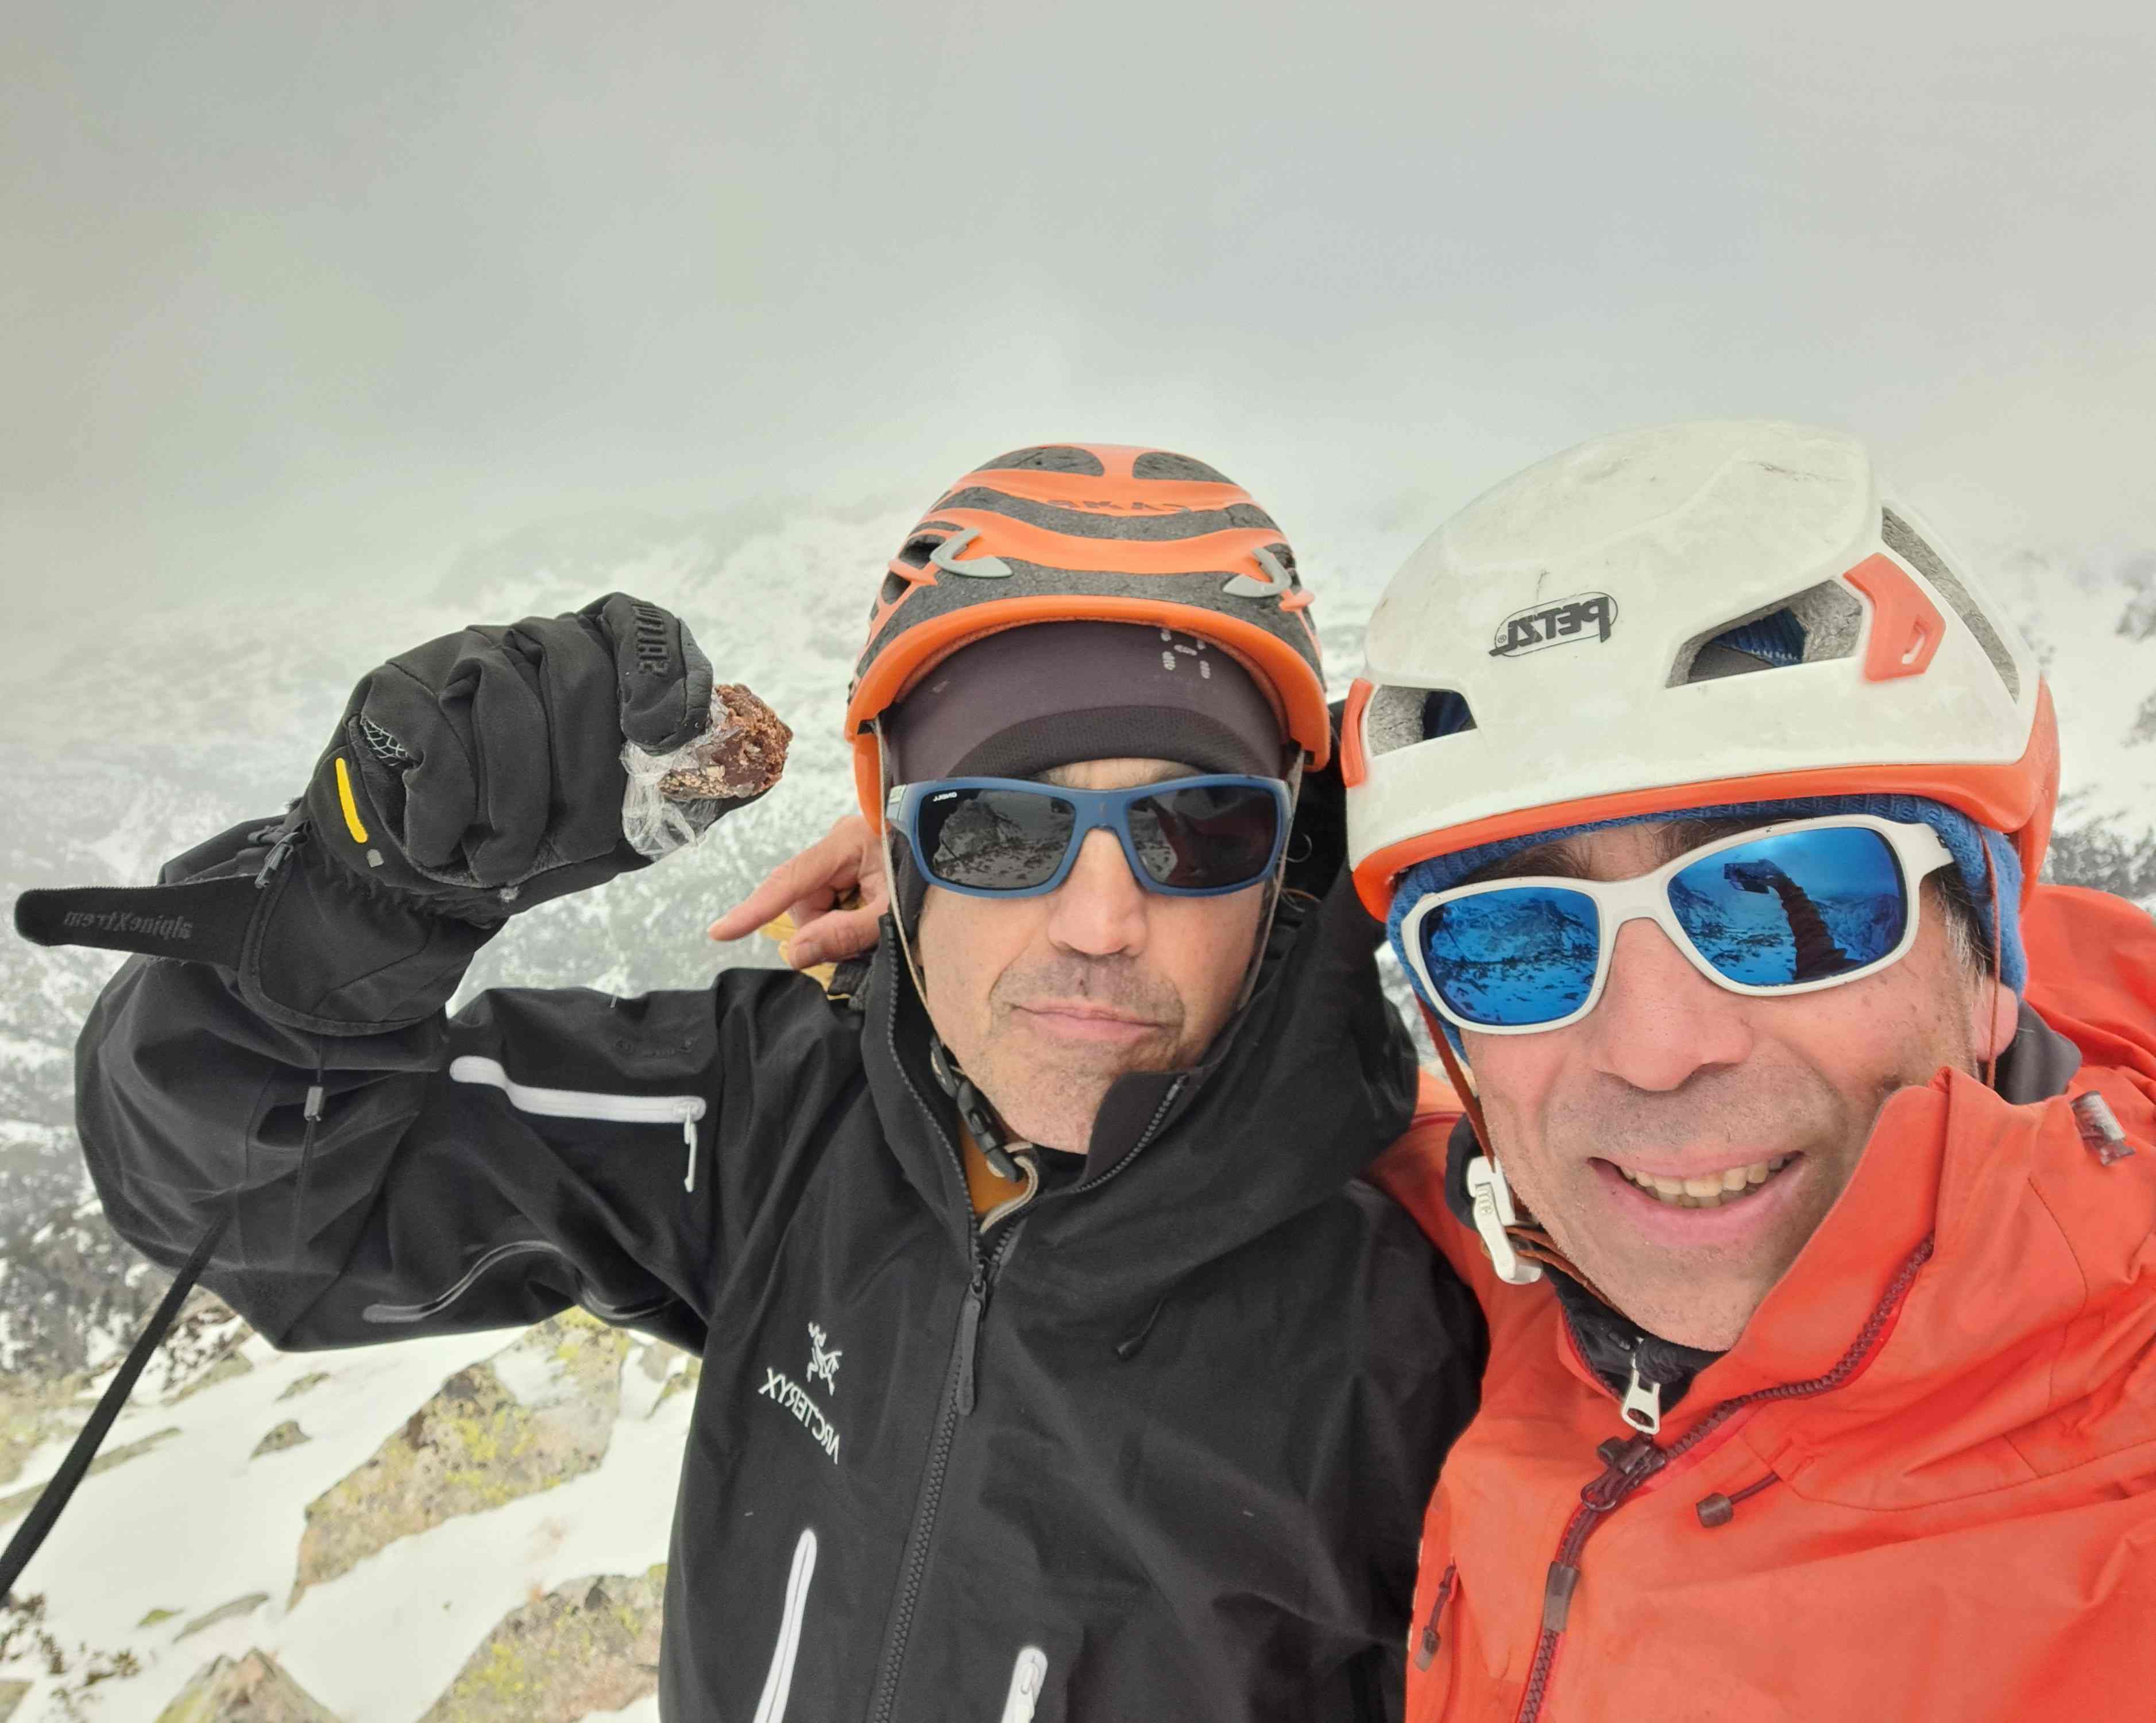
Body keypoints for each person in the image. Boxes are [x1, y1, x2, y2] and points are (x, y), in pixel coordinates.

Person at [48, 444, 1483, 1721]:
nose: (1100, 921)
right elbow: (259, 1205)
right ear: (895, 846)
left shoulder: (1431, 1317)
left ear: (1288, 857)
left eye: (1195, 826)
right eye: (995, 830)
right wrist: (337, 921)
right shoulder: (768, 1119)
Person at [1337, 420, 2155, 1721]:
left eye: (1780, 903)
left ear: (1987, 946)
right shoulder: (1523, 1292)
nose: (1655, 1055)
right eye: (1510, 944)